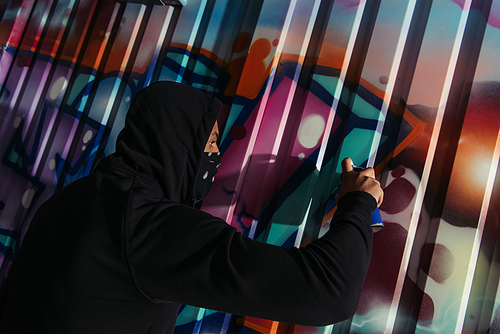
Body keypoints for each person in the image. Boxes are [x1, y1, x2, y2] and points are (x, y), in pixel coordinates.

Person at [0, 81, 383, 334]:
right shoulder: (144, 225)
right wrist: (359, 202)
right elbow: (327, 292)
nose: (216, 157)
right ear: (177, 142)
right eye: (210, 143)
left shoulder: (74, 199)